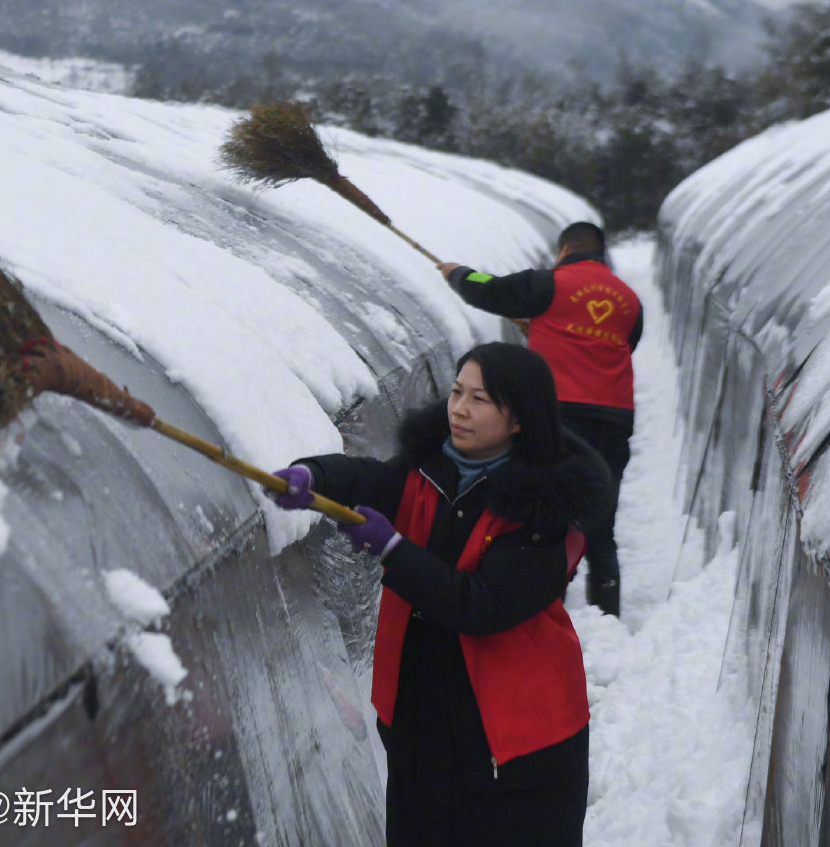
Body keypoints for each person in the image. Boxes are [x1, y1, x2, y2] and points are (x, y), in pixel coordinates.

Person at [269, 343, 608, 847]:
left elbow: (481, 604)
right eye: (456, 392)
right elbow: (371, 479)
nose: (460, 409)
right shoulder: (430, 469)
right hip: (422, 731)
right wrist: (314, 475)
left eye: (480, 399)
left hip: (514, 750)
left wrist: (392, 548)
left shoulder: (544, 510)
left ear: (519, 420)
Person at [435, 221, 639, 617]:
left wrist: (457, 273)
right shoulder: (630, 300)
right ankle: (607, 611)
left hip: (557, 416)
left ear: (564, 251)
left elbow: (490, 286)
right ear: (600, 253)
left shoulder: (550, 283)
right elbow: (618, 344)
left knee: (546, 516)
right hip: (614, 419)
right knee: (601, 518)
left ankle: (543, 607)